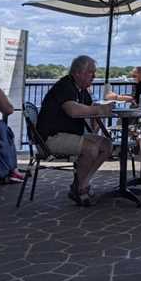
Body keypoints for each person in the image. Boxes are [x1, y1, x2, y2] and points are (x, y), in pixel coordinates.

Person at [37, 56, 113, 206]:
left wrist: (97, 113)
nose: (94, 76)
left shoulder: (81, 90)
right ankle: (80, 189)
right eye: (91, 72)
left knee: (106, 145)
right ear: (78, 73)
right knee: (90, 148)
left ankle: (82, 183)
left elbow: (90, 112)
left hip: (69, 133)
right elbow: (73, 111)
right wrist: (99, 109)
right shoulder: (65, 86)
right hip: (52, 137)